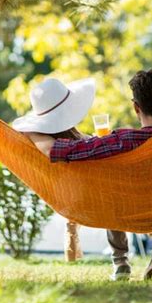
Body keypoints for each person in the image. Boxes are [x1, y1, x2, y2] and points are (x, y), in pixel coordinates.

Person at [25, 69, 152, 281]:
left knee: (109, 182)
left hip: (123, 208)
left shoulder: (121, 139)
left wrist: (32, 131)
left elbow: (59, 150)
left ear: (135, 107)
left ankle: (120, 261)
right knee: (150, 186)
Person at [12, 76, 96, 262]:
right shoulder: (41, 137)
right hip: (74, 186)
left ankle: (72, 229)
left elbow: (78, 141)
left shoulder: (64, 133)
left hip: (79, 184)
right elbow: (51, 150)